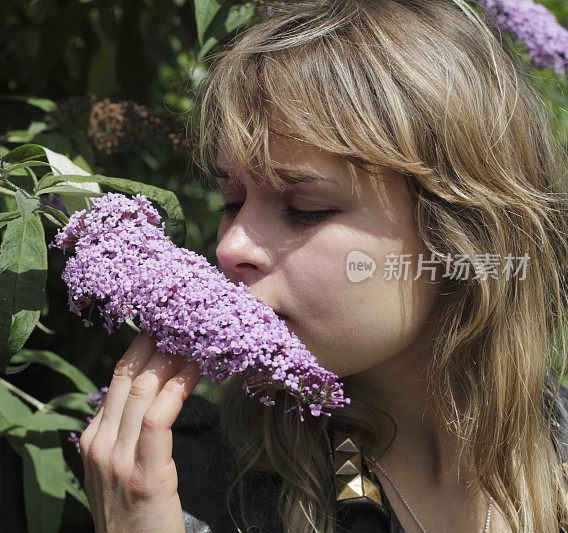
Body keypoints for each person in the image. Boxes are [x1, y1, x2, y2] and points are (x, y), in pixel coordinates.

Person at [78, 0, 568, 531]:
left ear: (462, 232)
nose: (229, 246)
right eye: (231, 201)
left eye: (304, 209)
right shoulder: (182, 484)